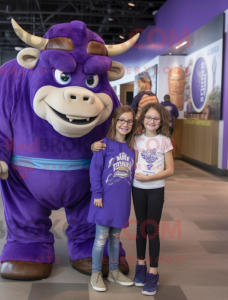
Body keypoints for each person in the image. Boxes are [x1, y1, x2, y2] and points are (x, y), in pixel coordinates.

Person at [88, 106, 136, 292]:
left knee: (115, 238)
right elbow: (95, 171)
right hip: (104, 200)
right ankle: (96, 273)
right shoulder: (103, 145)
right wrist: (97, 194)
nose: (125, 124)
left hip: (122, 202)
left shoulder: (132, 148)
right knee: (101, 239)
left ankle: (114, 272)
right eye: (122, 120)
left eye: (129, 121)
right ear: (115, 122)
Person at [132, 102, 174, 296]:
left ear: (161, 121)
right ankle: (140, 265)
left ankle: (153, 272)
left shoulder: (164, 140)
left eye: (156, 118)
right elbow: (132, 162)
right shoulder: (136, 139)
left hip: (156, 189)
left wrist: (149, 178)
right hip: (137, 189)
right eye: (148, 117)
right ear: (143, 119)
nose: (151, 121)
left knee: (152, 228)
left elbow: (170, 170)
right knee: (140, 227)